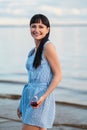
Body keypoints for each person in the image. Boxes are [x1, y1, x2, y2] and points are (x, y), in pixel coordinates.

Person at [17, 14, 62, 130]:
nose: (36, 30)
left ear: (48, 29)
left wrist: (44, 97)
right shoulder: (32, 52)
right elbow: (30, 80)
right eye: (33, 26)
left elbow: (58, 75)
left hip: (41, 98)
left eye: (41, 26)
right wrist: (22, 103)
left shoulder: (48, 47)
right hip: (30, 97)